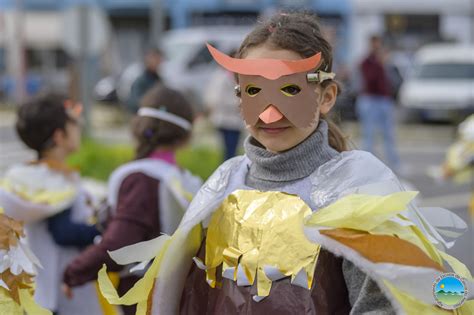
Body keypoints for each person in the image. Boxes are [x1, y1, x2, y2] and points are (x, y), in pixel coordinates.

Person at [98, 12, 473, 314]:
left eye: (290, 90)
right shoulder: (223, 183)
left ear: (325, 97)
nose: (271, 113)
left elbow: (385, 305)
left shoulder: (357, 188)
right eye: (254, 91)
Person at [62, 83, 202, 315]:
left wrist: (73, 272)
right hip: (179, 294)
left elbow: (120, 246)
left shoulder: (141, 179)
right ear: (185, 137)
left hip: (141, 298)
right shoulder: (185, 181)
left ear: (137, 126)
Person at [0, 94, 102, 314]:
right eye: (74, 123)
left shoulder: (28, 176)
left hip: (37, 288)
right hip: (60, 291)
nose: (79, 127)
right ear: (59, 136)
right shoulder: (52, 180)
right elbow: (63, 232)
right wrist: (103, 228)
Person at [356, 35, 400, 172]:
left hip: (384, 100)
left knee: (388, 134)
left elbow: (394, 80)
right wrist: (379, 64)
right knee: (368, 134)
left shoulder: (386, 62)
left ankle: (394, 165)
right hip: (370, 99)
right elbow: (369, 79)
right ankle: (367, 166)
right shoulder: (366, 62)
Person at [205, 49, 245, 161]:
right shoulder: (222, 77)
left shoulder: (237, 76)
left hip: (234, 120)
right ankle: (227, 174)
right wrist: (238, 103)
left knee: (231, 150)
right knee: (229, 151)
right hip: (225, 120)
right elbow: (215, 99)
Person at [127, 48, 163, 113]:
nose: (158, 62)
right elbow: (135, 103)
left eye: (159, 59)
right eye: (155, 59)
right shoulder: (140, 81)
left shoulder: (159, 79)